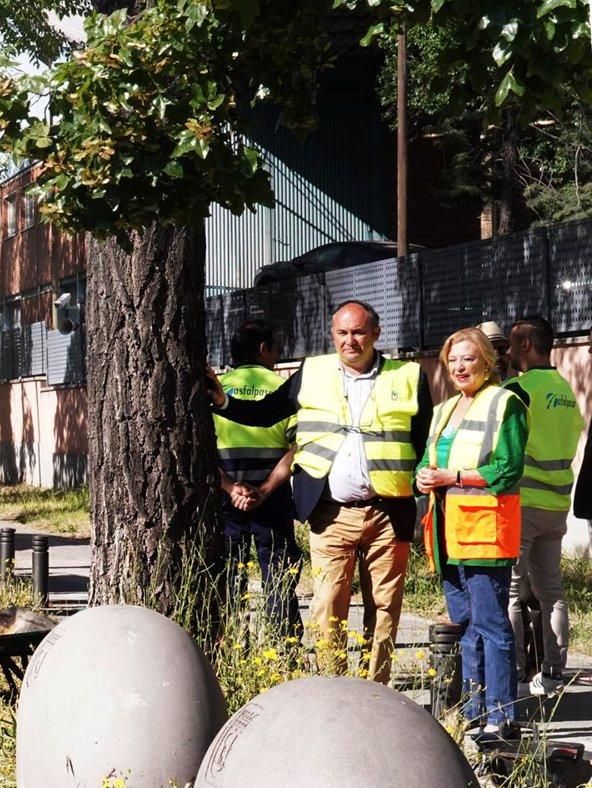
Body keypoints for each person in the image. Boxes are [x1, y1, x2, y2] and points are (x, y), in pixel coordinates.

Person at [208, 299, 432, 684]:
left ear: (376, 334)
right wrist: (223, 401)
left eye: (359, 332)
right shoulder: (313, 373)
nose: (350, 341)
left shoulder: (408, 376)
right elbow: (266, 413)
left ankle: (375, 692)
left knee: (383, 609)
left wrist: (424, 488)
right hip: (331, 513)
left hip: (386, 511)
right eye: (342, 333)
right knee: (328, 607)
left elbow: (425, 439)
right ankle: (333, 690)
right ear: (333, 336)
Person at [417, 327, 527, 739]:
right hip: (447, 533)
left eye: (468, 358)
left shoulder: (505, 403)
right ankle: (474, 710)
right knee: (464, 625)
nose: (460, 367)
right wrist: (423, 478)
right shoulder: (444, 409)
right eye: (453, 360)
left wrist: (454, 475)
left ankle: (503, 716)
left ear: (486, 359)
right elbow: (427, 461)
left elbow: (508, 468)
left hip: (484, 532)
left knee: (492, 624)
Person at [504, 316, 586, 697]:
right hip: (556, 507)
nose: (505, 351)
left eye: (510, 344)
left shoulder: (517, 390)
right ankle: (553, 673)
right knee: (551, 590)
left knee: (512, 590)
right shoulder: (565, 389)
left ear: (524, 346)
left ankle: (517, 673)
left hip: (523, 504)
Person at [212, 321, 300, 634]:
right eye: (276, 349)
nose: (277, 356)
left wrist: (230, 487)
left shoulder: (215, 388)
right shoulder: (283, 388)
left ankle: (234, 642)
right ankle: (283, 645)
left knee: (229, 575)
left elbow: (201, 448)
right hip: (272, 496)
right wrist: (263, 490)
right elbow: (297, 448)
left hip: (225, 497)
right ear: (263, 349)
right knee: (279, 572)